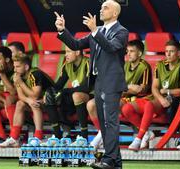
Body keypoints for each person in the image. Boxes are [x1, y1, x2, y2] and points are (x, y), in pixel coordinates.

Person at [54, 0, 128, 168]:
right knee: (104, 123)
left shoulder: (122, 31)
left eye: (105, 7)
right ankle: (115, 163)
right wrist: (61, 30)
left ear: (115, 13)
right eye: (101, 7)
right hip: (99, 82)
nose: (101, 10)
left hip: (112, 82)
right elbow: (75, 44)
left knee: (110, 121)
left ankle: (109, 159)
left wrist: (94, 30)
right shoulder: (99, 31)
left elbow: (110, 47)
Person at [88, 40, 152, 150]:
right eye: (127, 51)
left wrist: (124, 88)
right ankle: (102, 133)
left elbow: (142, 89)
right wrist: (129, 87)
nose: (129, 54)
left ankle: (103, 136)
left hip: (137, 100)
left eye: (132, 51)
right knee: (91, 105)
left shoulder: (144, 66)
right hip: (122, 96)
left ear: (140, 53)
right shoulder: (124, 65)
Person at [126, 40, 180, 151]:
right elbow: (154, 87)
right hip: (158, 97)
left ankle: (139, 138)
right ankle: (146, 133)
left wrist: (168, 92)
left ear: (178, 53)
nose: (168, 54)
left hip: (173, 99)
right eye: (166, 51)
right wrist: (161, 98)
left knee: (149, 105)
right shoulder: (160, 65)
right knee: (127, 108)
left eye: (171, 51)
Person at [0, 56, 55, 147]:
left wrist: (21, 83)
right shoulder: (17, 76)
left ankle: (38, 137)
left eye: (18, 67)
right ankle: (14, 138)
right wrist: (28, 100)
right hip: (38, 100)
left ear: (26, 67)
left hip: (52, 101)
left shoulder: (35, 74)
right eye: (14, 66)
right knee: (20, 103)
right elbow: (21, 96)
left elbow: (36, 94)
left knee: (34, 103)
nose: (15, 70)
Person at [45, 45, 92, 141]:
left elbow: (86, 87)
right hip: (75, 96)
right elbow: (58, 85)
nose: (66, 55)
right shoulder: (67, 65)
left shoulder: (88, 63)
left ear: (77, 52)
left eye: (68, 52)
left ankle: (84, 136)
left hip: (92, 96)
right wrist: (49, 91)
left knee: (76, 95)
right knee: (49, 95)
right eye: (65, 52)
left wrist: (65, 91)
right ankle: (57, 135)